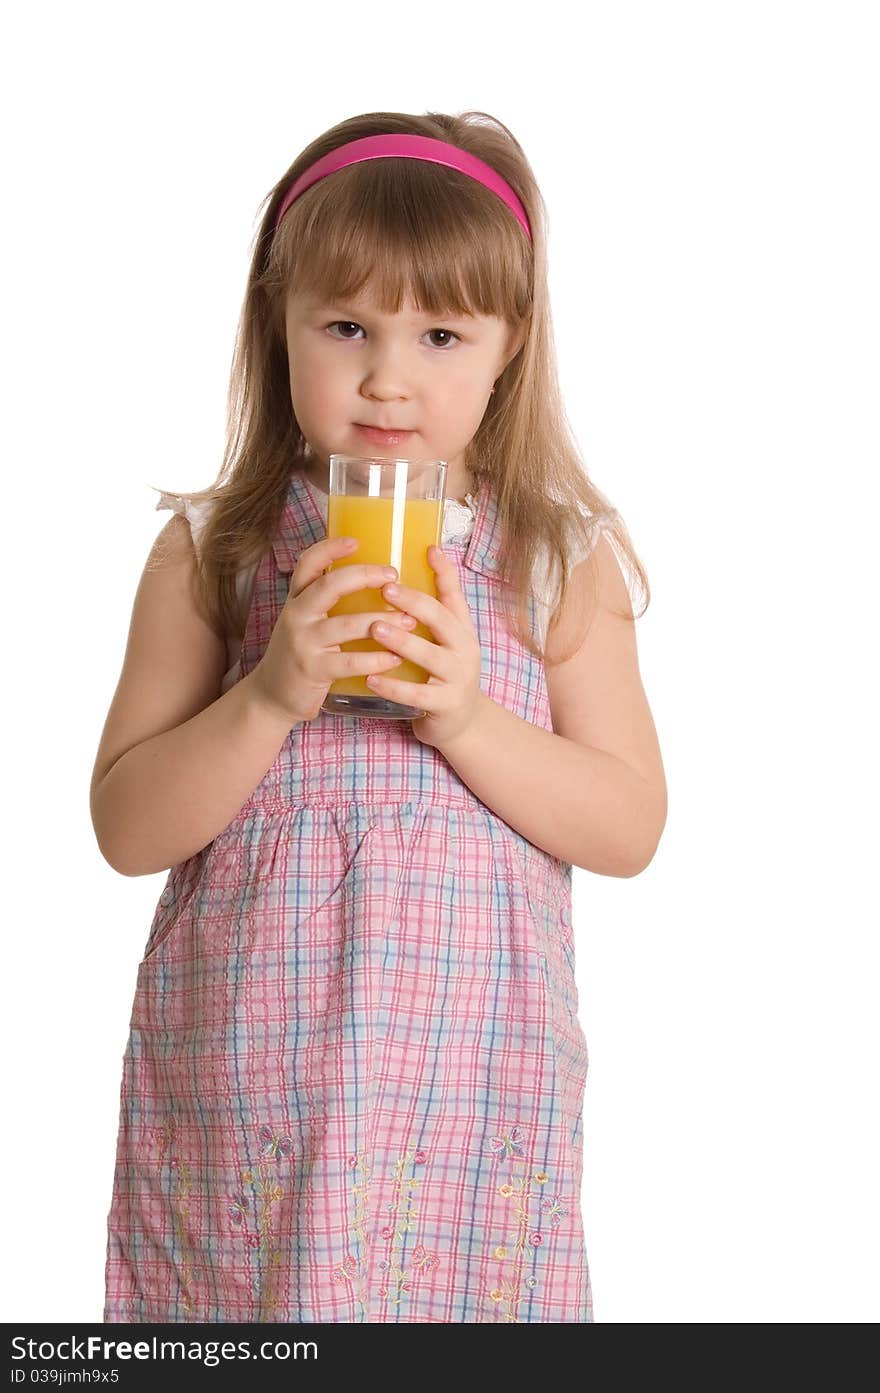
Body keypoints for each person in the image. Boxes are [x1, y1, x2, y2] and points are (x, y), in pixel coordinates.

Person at [91, 110, 667, 1324]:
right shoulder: (216, 552)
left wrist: (464, 716)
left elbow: (626, 824)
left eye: (441, 332)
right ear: (280, 328)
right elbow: (129, 826)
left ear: (508, 348)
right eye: (345, 326)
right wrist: (271, 695)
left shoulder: (558, 560)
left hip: (466, 1100)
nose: (388, 376)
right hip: (254, 1094)